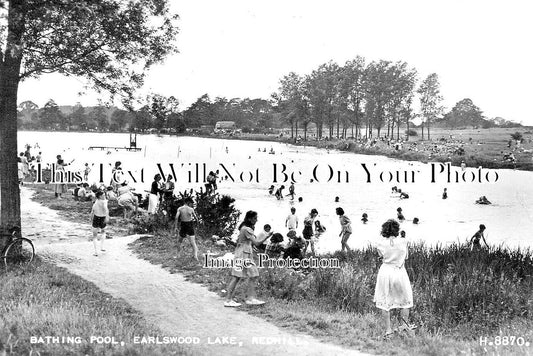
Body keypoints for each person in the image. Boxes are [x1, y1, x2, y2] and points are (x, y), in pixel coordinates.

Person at [374, 219, 415, 339]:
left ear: (384, 230)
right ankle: (403, 328)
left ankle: (388, 331)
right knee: (405, 301)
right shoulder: (404, 241)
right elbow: (405, 257)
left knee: (385, 302)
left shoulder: (380, 243)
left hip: (386, 271)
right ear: (397, 230)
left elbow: (381, 256)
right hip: (399, 271)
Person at [224, 211, 271, 307]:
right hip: (243, 255)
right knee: (238, 276)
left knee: (252, 275)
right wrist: (267, 236)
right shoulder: (247, 229)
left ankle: (249, 298)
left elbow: (245, 242)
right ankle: (230, 300)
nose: (256, 220)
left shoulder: (244, 228)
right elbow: (257, 243)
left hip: (245, 253)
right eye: (254, 218)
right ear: (249, 219)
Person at [174, 197, 200, 262]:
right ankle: (195, 256)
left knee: (179, 241)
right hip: (190, 225)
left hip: (183, 225)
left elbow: (176, 217)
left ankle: (178, 255)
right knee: (193, 242)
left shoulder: (180, 208)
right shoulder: (191, 209)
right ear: (188, 202)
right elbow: (196, 219)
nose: (191, 204)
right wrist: (197, 225)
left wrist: (176, 227)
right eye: (191, 203)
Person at [90, 191, 109, 256]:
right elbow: (106, 209)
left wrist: (91, 219)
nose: (105, 196)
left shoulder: (96, 201)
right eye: (103, 195)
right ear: (100, 196)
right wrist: (107, 216)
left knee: (95, 235)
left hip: (96, 217)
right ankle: (102, 247)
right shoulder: (104, 201)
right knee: (103, 232)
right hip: (102, 217)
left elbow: (92, 211)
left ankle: (96, 251)